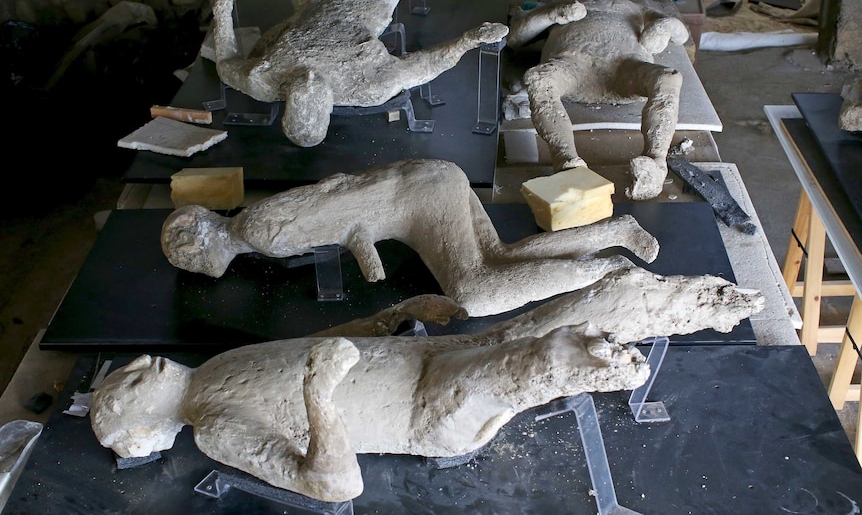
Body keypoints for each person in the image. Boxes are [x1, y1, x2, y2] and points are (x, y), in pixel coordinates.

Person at [91, 266, 764, 503]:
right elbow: (333, 484)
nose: (133, 367)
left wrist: (389, 318)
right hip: (421, 407)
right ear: (142, 431)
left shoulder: (211, 371)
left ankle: (702, 304)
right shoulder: (212, 429)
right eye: (122, 388)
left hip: (423, 359)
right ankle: (614, 365)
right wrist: (321, 399)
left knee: (590, 302)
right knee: (558, 350)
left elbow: (321, 346)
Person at [160, 159, 661, 317]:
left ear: (199, 248)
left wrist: (362, 238)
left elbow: (334, 200)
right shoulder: (253, 227)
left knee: (473, 292)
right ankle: (615, 232)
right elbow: (336, 195)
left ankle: (605, 271)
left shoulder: (258, 230)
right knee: (497, 257)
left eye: (189, 260)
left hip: (414, 202)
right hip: (428, 180)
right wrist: (360, 234)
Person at [211, 0, 509, 147]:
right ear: (329, 105)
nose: (308, 77)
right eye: (316, 87)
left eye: (296, 86)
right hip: (367, 6)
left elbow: (225, 62)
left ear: (287, 101)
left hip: (314, 2)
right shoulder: (369, 86)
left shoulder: (263, 80)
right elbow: (427, 66)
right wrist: (469, 41)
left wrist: (222, 2)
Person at [507, 0, 691, 200]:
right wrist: (553, 13)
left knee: (668, 78)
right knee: (540, 79)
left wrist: (664, 26)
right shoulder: (569, 1)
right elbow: (516, 38)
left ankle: (656, 161)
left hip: (625, 67)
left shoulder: (633, 7)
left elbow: (681, 35)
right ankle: (566, 161)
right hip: (572, 64)